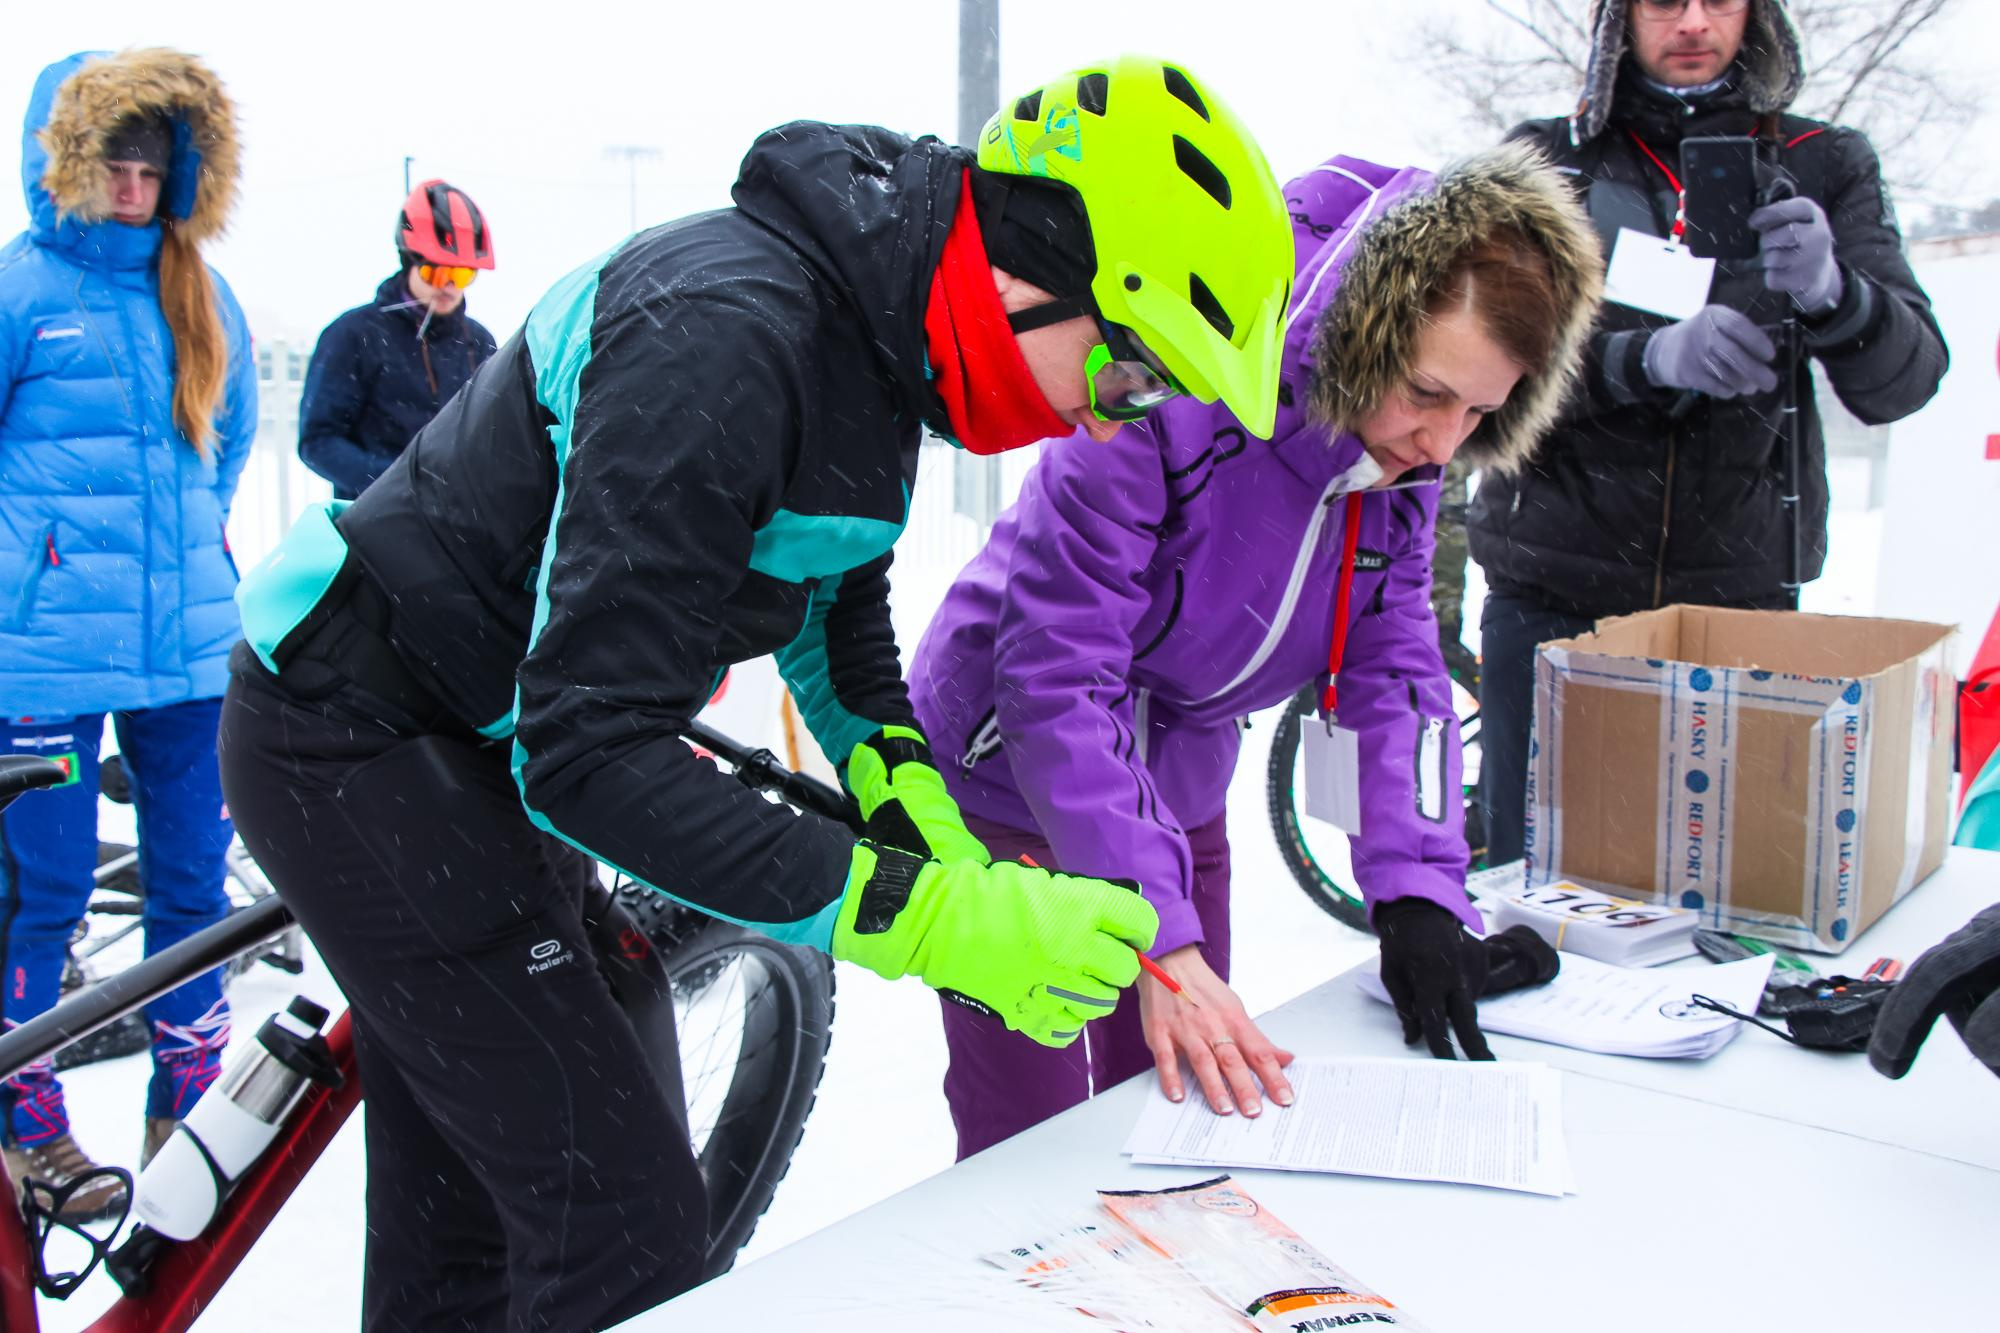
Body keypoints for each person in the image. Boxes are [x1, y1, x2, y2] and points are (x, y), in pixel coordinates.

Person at [218, 56, 1294, 1329]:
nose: (1116, 421)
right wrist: (928, 915)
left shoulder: (880, 334)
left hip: (479, 731)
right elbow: (588, 754)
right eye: (1131, 374)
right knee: (620, 1222)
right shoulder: (726, 338)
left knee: (489, 1208)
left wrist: (910, 799)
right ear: (1030, 278)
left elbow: (833, 603)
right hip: (359, 732)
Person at [908, 143, 1603, 1158]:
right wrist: (1162, 937)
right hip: (1011, 780)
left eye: (1481, 412)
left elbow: (1394, 657)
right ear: (1364, 338)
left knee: (1191, 1090)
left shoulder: (1396, 457)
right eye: (1425, 392)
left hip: (1178, 780)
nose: (1443, 444)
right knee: (1034, 1133)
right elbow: (1058, 671)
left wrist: (1417, 890)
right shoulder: (1170, 381)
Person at [1468, 0, 1948, 868]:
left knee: (1726, 894)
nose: (1692, 21)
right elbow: (1479, 374)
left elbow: (1905, 384)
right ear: (1619, 16)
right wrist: (1640, 361)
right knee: (1536, 890)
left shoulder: (1825, 164)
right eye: (1662, 0)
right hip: (1555, 602)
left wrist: (1838, 296)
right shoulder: (1548, 162)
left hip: (1743, 611)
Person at [0, 49, 255, 1220]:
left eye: (153, 167)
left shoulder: (201, 297)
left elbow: (230, 445)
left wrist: (189, 556)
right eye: (114, 162)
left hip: (189, 661)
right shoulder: (20, 291)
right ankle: (27, 1118)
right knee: (42, 893)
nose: (134, 186)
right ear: (65, 163)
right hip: (40, 660)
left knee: (192, 888)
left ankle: (187, 1103)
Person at [298, 180, 499, 499]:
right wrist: (397, 483)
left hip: (459, 529)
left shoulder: (480, 343)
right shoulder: (354, 335)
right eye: (436, 273)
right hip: (375, 524)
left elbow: (496, 436)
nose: (448, 286)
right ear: (409, 261)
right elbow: (318, 441)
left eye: (461, 275)